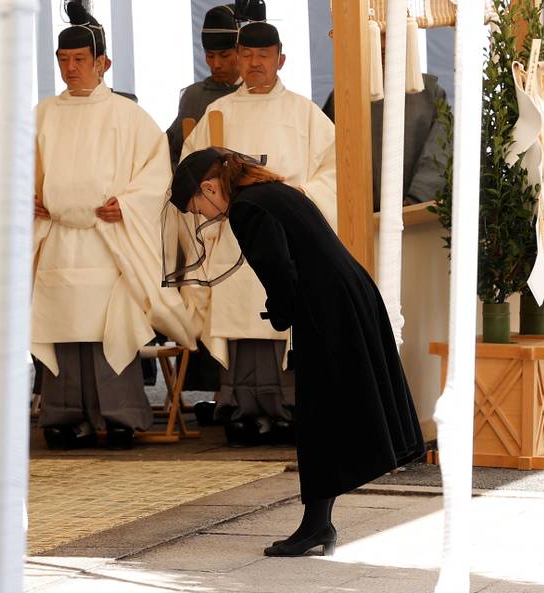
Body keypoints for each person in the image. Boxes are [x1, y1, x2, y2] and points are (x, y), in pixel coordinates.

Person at [166, 147, 424, 556]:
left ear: (210, 187)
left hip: (328, 308)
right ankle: (317, 524)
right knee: (322, 413)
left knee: (320, 414)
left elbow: (279, 270)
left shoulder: (247, 208)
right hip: (344, 296)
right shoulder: (272, 191)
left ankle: (316, 526)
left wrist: (282, 312)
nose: (200, 215)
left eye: (196, 206)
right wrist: (286, 309)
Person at [32, 2, 193, 450]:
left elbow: (157, 174)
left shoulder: (130, 117)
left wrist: (129, 203)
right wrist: (30, 197)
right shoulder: (42, 115)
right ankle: (65, 417)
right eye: (63, 60)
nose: (70, 69)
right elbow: (22, 170)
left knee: (111, 326)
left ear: (103, 63)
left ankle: (120, 415)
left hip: (109, 241)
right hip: (60, 238)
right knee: (61, 328)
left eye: (80, 60)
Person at [180, 16, 337, 446]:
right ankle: (241, 408)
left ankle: (286, 408)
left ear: (280, 59)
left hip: (284, 233)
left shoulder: (304, 113)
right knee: (239, 318)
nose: (253, 63)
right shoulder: (219, 113)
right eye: (246, 55)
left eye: (262, 56)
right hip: (233, 235)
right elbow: (191, 168)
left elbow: (336, 167)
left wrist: (304, 192)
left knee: (280, 317)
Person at [321, 32, 450, 210]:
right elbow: (329, 156)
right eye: (376, 35)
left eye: (388, 34)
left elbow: (440, 150)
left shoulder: (429, 91)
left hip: (416, 211)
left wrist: (417, 198)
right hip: (359, 213)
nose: (382, 44)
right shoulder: (345, 93)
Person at [165, 4, 241, 169]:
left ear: (241, 52)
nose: (216, 64)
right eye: (209, 55)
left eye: (224, 55)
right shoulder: (194, 96)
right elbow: (169, 151)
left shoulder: (254, 96)